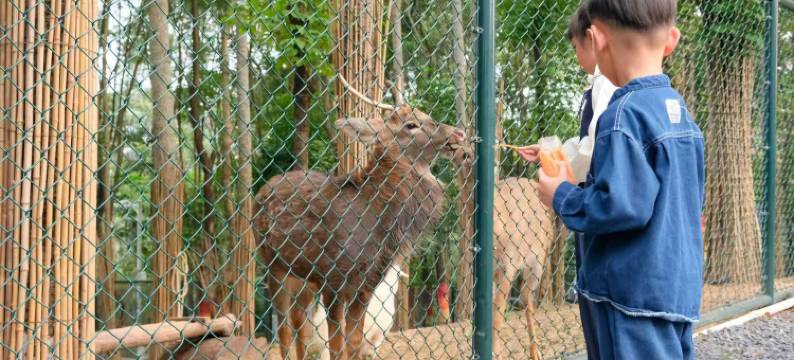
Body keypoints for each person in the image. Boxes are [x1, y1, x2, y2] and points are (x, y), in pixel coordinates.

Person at [535, 0, 704, 359]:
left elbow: (619, 206)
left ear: (596, 39)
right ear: (671, 40)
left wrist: (561, 195)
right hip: (675, 291)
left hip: (630, 294)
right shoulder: (680, 114)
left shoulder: (622, 115)